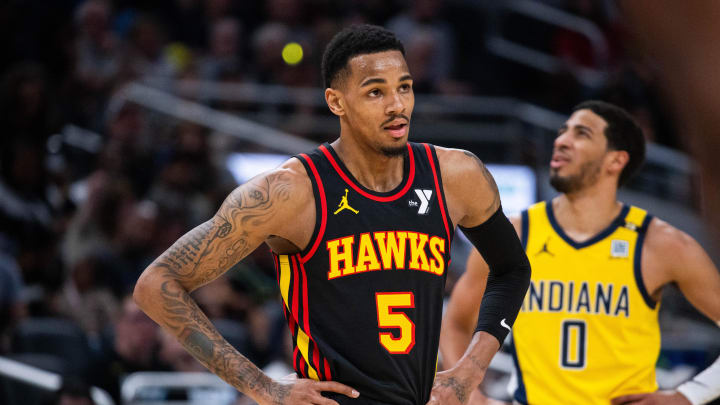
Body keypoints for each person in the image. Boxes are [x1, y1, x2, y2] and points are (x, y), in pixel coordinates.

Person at [133, 24, 531, 405]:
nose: (397, 105)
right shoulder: (290, 191)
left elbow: (512, 268)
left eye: (404, 88)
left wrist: (468, 373)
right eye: (376, 92)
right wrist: (262, 387)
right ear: (336, 101)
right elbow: (157, 283)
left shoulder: (455, 175)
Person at [440, 101, 720, 405]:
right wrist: (467, 392)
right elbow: (455, 322)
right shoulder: (516, 234)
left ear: (616, 161)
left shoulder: (661, 244)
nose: (561, 140)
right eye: (562, 132)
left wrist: (687, 396)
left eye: (581, 133)